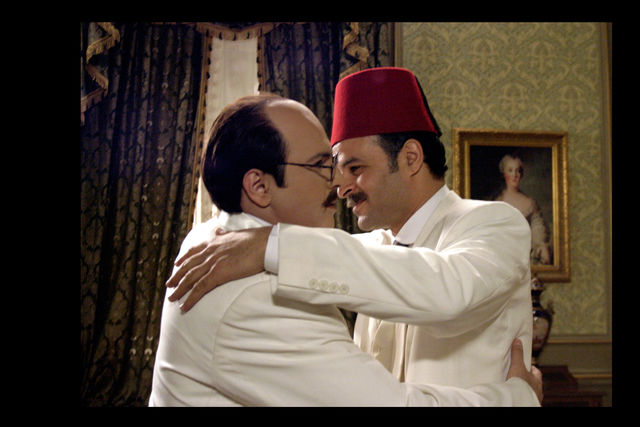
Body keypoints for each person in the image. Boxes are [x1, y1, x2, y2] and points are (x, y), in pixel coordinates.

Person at [149, 93, 542, 406]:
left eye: (354, 168)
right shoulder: (256, 278)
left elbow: (449, 287)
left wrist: (272, 243)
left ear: (410, 159)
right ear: (259, 186)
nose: (339, 185)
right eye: (325, 166)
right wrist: (517, 397)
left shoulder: (493, 222)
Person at [493, 154, 552, 265]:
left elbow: (538, 227)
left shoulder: (530, 202)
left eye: (518, 171)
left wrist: (541, 246)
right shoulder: (498, 202)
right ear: (504, 174)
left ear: (521, 174)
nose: (515, 175)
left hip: (526, 255)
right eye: (510, 170)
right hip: (503, 255)